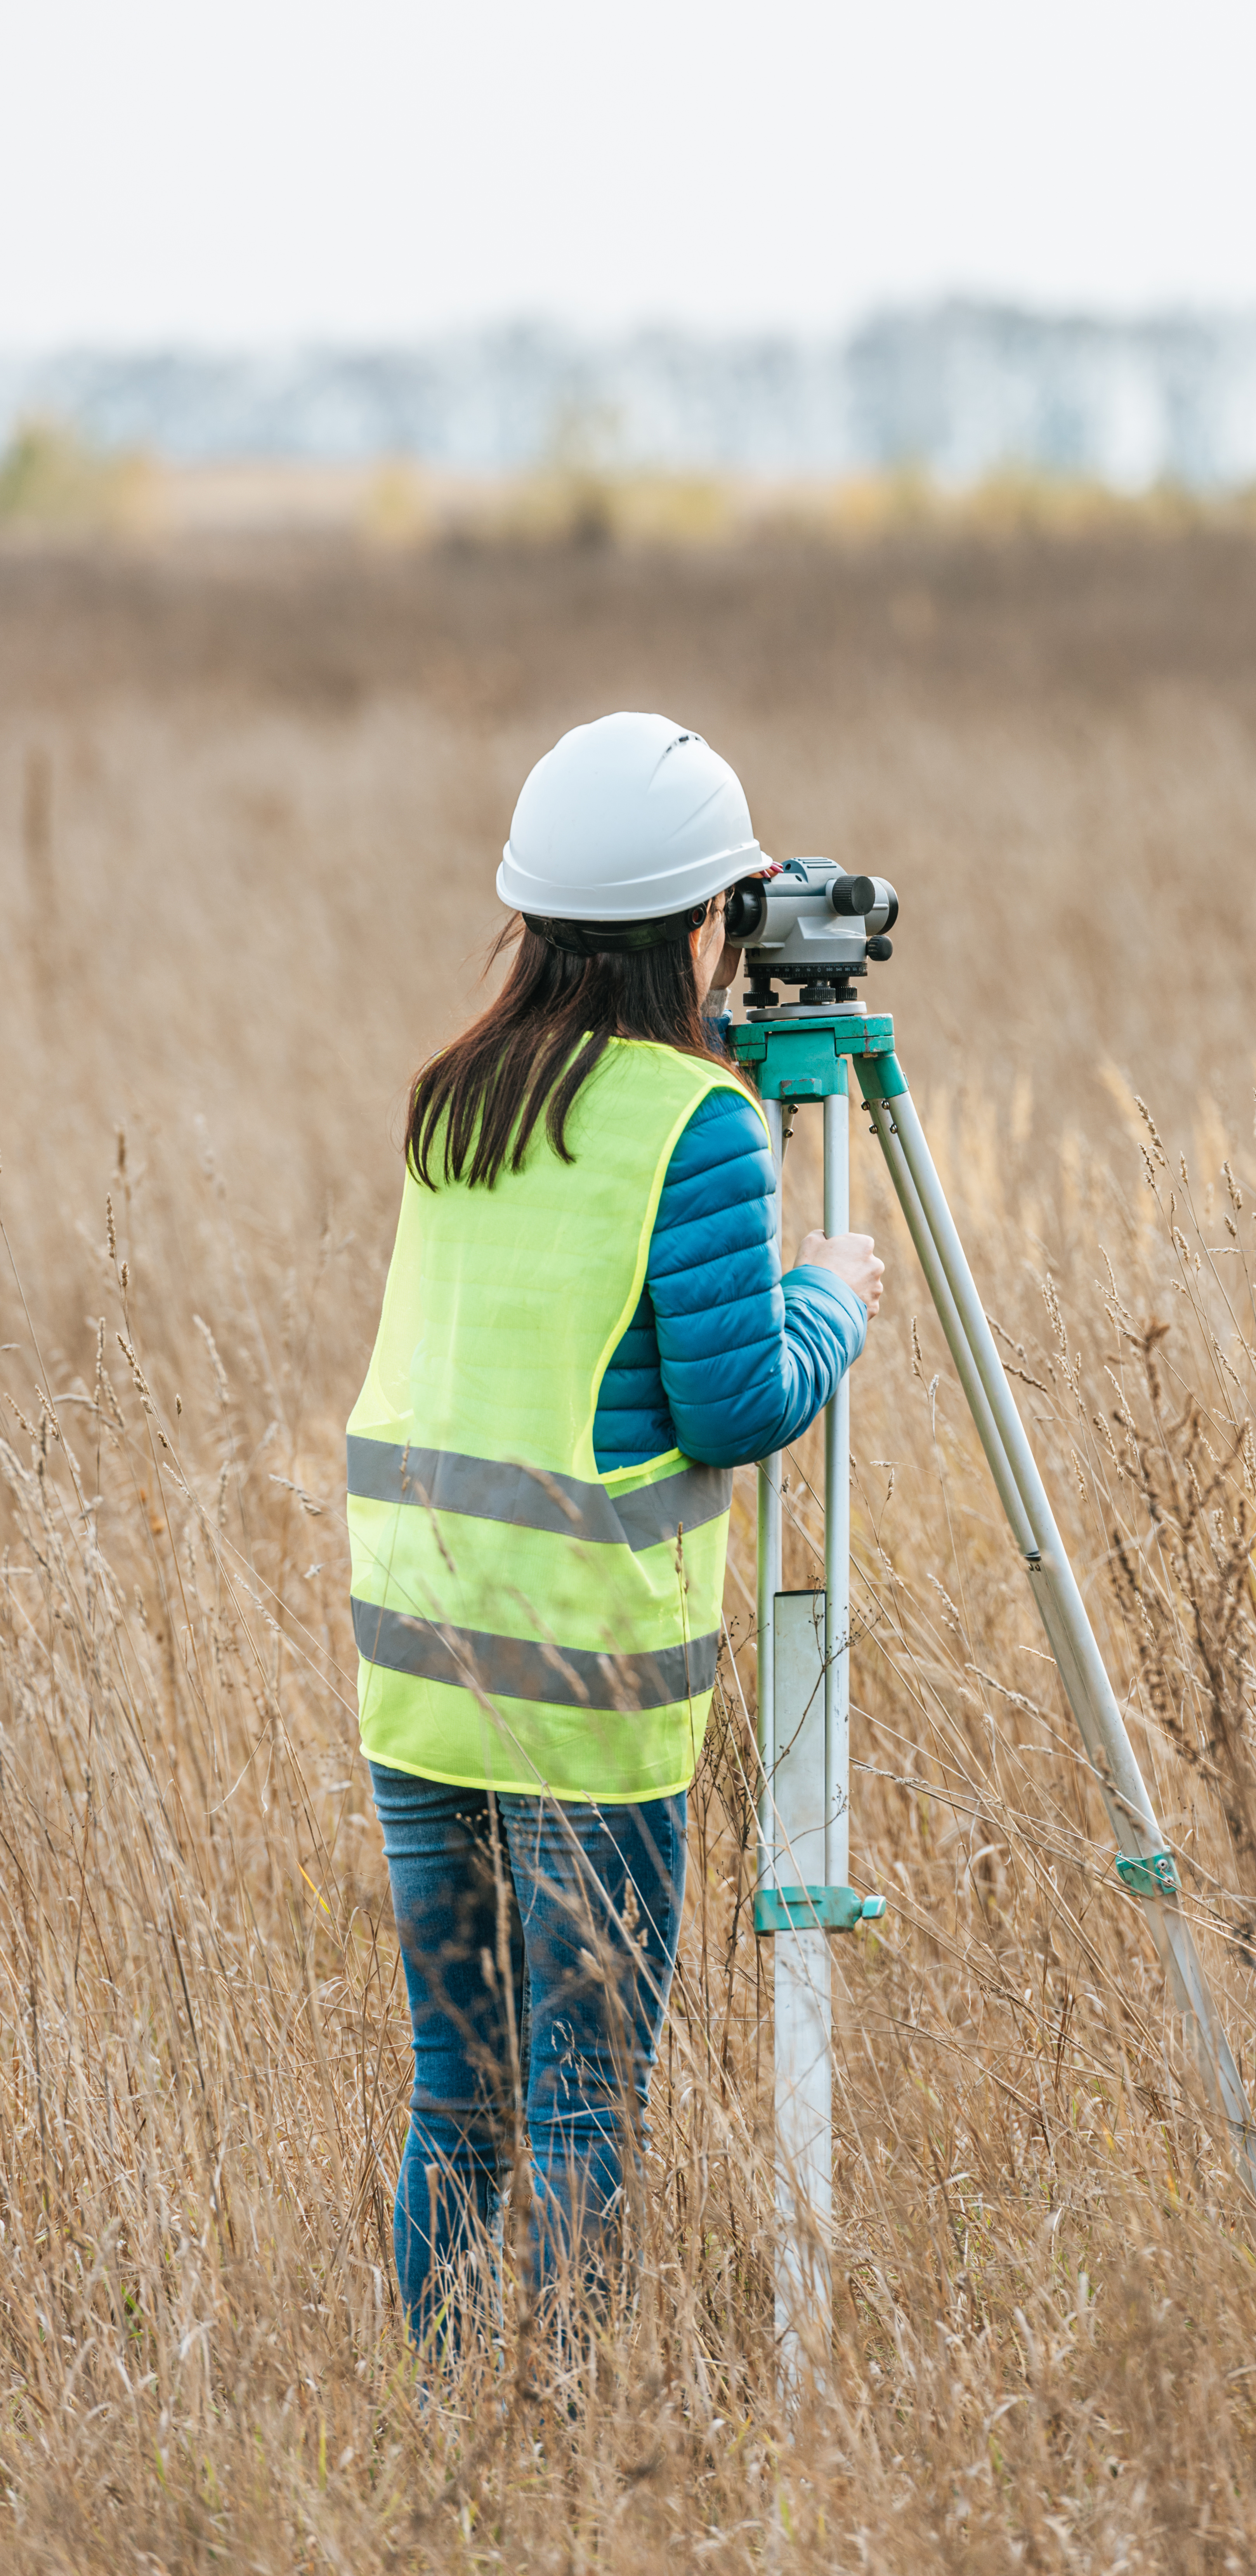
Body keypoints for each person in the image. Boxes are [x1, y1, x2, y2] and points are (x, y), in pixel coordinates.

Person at [345, 711, 882, 2353]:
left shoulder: (458, 1098)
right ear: (700, 926)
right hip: (584, 1694)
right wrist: (830, 1302)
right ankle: (557, 2441)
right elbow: (732, 1403)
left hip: (422, 1667)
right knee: (585, 2110)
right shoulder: (695, 1122)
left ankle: (442, 2425)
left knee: (466, 2101)